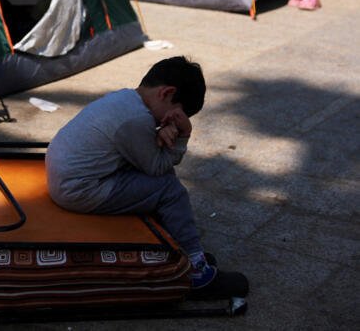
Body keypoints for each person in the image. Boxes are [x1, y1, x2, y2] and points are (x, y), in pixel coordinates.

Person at [45, 56, 248, 297]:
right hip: (78, 190)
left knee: (158, 181)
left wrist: (160, 136)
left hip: (66, 177)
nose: (172, 121)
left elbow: (143, 154)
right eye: (177, 115)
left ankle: (175, 245)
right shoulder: (137, 119)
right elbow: (157, 168)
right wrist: (183, 135)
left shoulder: (126, 99)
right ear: (166, 93)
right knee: (169, 190)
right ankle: (196, 272)